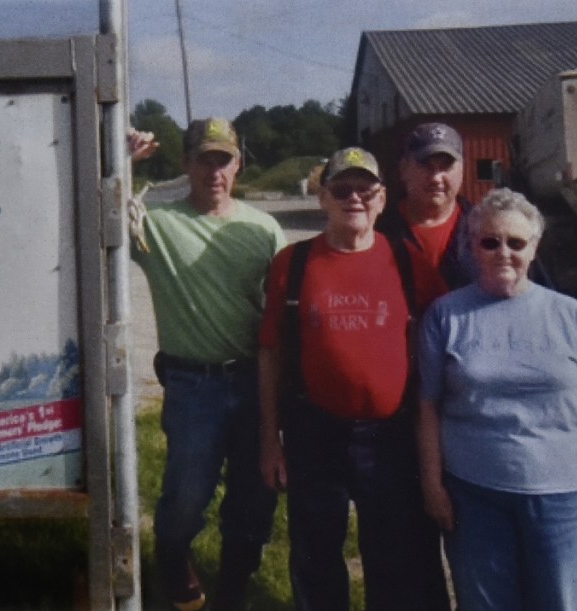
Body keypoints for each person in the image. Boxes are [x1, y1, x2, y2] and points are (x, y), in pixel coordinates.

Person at [416, 188, 577, 611]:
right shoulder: (446, 316)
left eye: (516, 243)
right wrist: (433, 484)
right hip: (474, 495)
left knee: (561, 603)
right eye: (490, 241)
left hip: (562, 498)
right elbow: (427, 406)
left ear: (534, 248)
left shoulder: (571, 316)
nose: (504, 252)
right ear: (472, 246)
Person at [259, 147, 450, 611]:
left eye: (366, 190)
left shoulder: (407, 262)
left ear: (383, 199)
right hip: (315, 430)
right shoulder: (294, 263)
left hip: (391, 436)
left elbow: (447, 336)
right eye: (342, 190)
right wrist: (270, 440)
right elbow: (269, 353)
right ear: (322, 198)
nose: (355, 199)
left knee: (396, 558)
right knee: (316, 556)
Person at [129, 118, 286, 611]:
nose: (214, 170)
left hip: (254, 382)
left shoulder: (263, 229)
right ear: (185, 164)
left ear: (238, 164)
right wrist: (123, 161)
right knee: (187, 492)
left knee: (255, 495)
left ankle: (235, 588)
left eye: (224, 159)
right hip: (192, 384)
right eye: (204, 159)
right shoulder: (155, 224)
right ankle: (172, 557)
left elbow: (282, 312)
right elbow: (96, 211)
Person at [376, 122, 478, 310]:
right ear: (404, 169)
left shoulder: (487, 230)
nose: (436, 178)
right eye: (426, 166)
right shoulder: (377, 234)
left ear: (462, 170)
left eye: (445, 167)